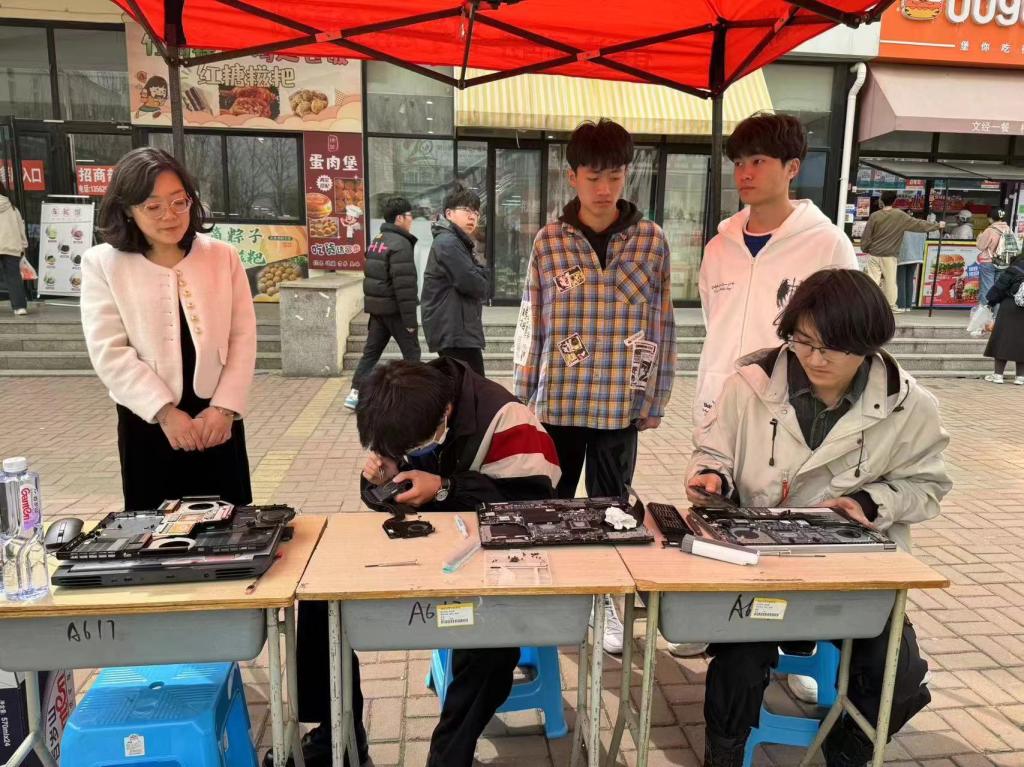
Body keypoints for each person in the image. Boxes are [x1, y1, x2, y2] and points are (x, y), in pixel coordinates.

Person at [687, 269, 951, 767]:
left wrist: (871, 503)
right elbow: (713, 451)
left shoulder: (909, 404)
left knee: (898, 676)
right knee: (738, 661)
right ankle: (724, 753)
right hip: (760, 570)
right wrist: (711, 476)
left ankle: (847, 747)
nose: (814, 359)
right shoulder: (750, 385)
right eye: (803, 341)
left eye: (833, 348)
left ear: (868, 345)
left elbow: (928, 486)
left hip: (852, 578)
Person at [290, 358, 561, 767]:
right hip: (426, 551)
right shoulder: (407, 409)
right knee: (317, 599)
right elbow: (391, 496)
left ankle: (449, 754)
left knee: (491, 645)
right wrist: (378, 481)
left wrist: (445, 487)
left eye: (412, 449)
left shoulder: (508, 421)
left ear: (445, 414)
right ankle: (337, 738)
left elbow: (534, 507)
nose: (408, 455)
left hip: (491, 563)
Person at [512, 118, 676, 654]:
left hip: (619, 404)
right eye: (593, 176)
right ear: (572, 177)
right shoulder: (549, 242)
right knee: (550, 505)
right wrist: (522, 397)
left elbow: (662, 322)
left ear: (627, 174)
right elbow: (532, 321)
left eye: (614, 176)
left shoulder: (651, 241)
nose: (604, 189)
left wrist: (656, 397)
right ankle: (554, 597)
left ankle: (607, 599)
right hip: (558, 400)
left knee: (613, 508)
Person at [81, 147, 256, 511]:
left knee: (230, 524)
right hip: (148, 421)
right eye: (153, 206)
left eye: (179, 202)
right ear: (127, 209)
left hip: (216, 419)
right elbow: (109, 351)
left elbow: (242, 336)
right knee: (154, 528)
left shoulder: (221, 256)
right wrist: (164, 412)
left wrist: (225, 409)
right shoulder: (103, 264)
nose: (170, 215)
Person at [694, 112, 859, 429]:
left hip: (789, 409)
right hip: (718, 403)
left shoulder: (827, 245)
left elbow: (844, 334)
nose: (745, 174)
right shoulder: (718, 248)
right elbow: (713, 321)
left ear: (792, 168)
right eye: (739, 163)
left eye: (758, 161)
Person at [344, 195, 421, 410]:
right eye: (410, 215)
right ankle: (414, 397)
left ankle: (355, 393)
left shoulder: (378, 240)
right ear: (399, 218)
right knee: (412, 354)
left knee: (371, 353)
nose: (412, 220)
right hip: (395, 311)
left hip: (378, 311)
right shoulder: (401, 244)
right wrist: (410, 321)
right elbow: (404, 287)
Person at [421, 187, 489, 375]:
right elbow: (473, 284)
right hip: (454, 329)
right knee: (474, 384)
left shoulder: (457, 242)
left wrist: (479, 274)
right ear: (449, 214)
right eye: (466, 210)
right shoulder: (448, 242)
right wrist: (483, 276)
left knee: (461, 384)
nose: (472, 216)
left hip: (455, 327)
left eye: (476, 212)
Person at [860, 190, 942, 312]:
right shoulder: (899, 215)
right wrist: (937, 226)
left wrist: (865, 248)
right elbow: (918, 224)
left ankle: (868, 305)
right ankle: (891, 306)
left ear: (881, 200)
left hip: (874, 253)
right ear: (894, 201)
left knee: (872, 280)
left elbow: (867, 235)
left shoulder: (875, 216)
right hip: (889, 255)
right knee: (890, 281)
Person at [982, 253, 1024, 385]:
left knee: (1002, 340)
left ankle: (998, 375)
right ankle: (1020, 377)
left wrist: (990, 303)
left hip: (1009, 306)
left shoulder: (1015, 268)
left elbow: (1000, 287)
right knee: (1022, 342)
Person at [0, 181, 29, 316]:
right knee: (14, 277)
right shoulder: (12, 208)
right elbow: (20, 229)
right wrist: (24, 245)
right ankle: (19, 307)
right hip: (11, 247)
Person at [974, 209, 1014, 308]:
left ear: (991, 218)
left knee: (987, 289)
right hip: (1003, 263)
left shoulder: (990, 230)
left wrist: (979, 237)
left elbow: (981, 246)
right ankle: (995, 314)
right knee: (997, 289)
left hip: (989, 262)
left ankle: (985, 313)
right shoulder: (1008, 229)